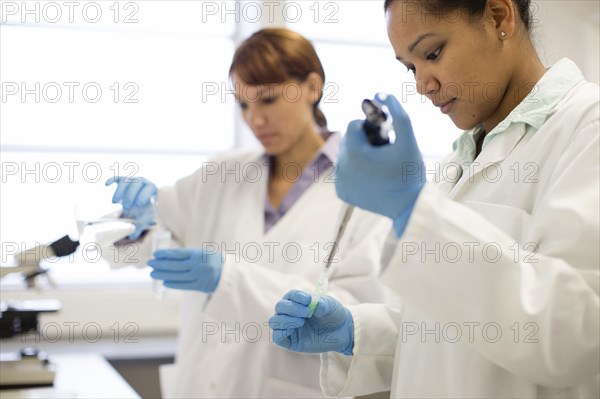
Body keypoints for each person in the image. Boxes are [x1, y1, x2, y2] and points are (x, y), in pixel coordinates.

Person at [269, 1, 599, 398]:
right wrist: (355, 332)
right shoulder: (455, 165)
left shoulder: (586, 130)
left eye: (432, 53)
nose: (422, 83)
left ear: (498, 16)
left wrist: (413, 210)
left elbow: (574, 334)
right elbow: (442, 330)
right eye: (410, 67)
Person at [105, 28, 392, 398]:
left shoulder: (366, 193)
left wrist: (229, 279)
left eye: (268, 100)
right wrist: (137, 220)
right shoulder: (221, 175)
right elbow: (134, 248)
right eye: (243, 105)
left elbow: (356, 317)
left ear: (312, 86)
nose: (255, 120)